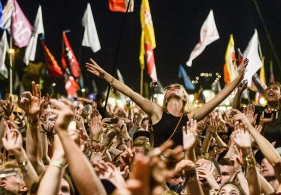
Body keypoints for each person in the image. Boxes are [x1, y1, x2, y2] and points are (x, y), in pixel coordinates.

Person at [86, 58, 248, 147]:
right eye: (169, 87)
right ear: (165, 97)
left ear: (184, 97)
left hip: (180, 169)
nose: (171, 87)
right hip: (160, 167)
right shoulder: (157, 112)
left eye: (176, 86)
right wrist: (105, 75)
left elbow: (218, 98)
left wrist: (238, 78)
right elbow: (129, 92)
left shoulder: (191, 116)